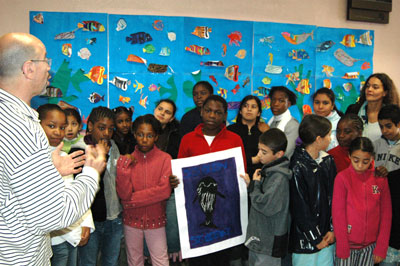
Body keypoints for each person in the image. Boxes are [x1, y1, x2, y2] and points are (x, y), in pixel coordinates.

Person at [0, 32, 105, 265]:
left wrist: (47, 169)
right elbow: (54, 215)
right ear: (28, 68)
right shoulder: (21, 127)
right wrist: (91, 173)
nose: (49, 68)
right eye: (45, 60)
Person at [176, 95, 246, 266]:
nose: (212, 116)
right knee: (197, 260)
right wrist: (175, 181)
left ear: (224, 116)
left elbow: (240, 172)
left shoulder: (234, 140)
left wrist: (245, 181)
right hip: (196, 214)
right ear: (201, 112)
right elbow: (180, 173)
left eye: (217, 112)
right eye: (208, 111)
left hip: (224, 214)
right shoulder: (188, 139)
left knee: (221, 259)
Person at [37, 104, 94, 266]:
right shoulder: (33, 158)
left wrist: (86, 222)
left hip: (72, 233)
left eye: (61, 127)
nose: (58, 132)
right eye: (51, 126)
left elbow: (75, 190)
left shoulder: (64, 155)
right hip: (53, 238)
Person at [116, 114, 171, 266]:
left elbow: (164, 191)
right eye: (140, 135)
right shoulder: (127, 160)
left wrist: (129, 202)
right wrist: (123, 169)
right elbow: (123, 194)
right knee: (134, 261)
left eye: (149, 135)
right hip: (131, 221)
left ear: (156, 136)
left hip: (156, 220)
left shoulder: (165, 159)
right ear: (134, 135)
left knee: (161, 260)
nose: (144, 139)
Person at [333, 137, 392, 266]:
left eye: (365, 161)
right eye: (356, 160)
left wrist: (381, 247)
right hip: (347, 246)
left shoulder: (380, 179)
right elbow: (338, 215)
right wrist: (342, 245)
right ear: (349, 156)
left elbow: (386, 215)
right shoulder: (342, 178)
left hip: (370, 247)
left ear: (372, 158)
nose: (360, 165)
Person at [78, 106, 123, 266]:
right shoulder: (81, 150)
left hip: (115, 216)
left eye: (111, 129)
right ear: (90, 126)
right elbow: (89, 185)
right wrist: (102, 155)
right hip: (92, 220)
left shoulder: (114, 146)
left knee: (111, 261)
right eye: (101, 128)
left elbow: (117, 177)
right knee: (88, 262)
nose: (106, 133)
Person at [289, 114, 336, 266]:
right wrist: (315, 238)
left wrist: (332, 229)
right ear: (318, 139)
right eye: (328, 135)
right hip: (305, 240)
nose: (330, 138)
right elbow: (299, 207)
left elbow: (334, 199)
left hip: (327, 237)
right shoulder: (297, 165)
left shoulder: (328, 161)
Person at [241, 128, 291, 266]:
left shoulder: (279, 177)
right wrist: (251, 185)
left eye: (264, 152)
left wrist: (255, 185)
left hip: (269, 242)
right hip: (259, 236)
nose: (259, 155)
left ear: (279, 154)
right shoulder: (268, 170)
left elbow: (265, 205)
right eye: (259, 150)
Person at [153, 99, 182, 263]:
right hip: (147, 190)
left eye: (167, 112)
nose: (162, 113)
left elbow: (179, 160)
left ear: (171, 118)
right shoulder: (141, 128)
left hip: (170, 189)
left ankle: (172, 256)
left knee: (171, 227)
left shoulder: (177, 135)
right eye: (160, 109)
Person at [374, 104, 400, 266]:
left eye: (388, 126)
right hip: (380, 200)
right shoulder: (376, 144)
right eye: (381, 126)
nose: (384, 131)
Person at [346, 73, 400, 142]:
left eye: (375, 87)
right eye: (367, 86)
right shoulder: (353, 110)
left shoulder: (392, 114)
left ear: (385, 92)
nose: (369, 89)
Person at [228, 95, 269, 178]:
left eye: (253, 107)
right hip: (234, 175)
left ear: (258, 113)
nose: (249, 109)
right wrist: (251, 160)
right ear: (240, 111)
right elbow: (227, 156)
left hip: (258, 177)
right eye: (245, 106)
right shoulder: (230, 131)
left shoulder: (263, 132)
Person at [268, 86, 299, 158]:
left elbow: (285, 153)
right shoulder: (271, 122)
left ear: (288, 104)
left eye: (281, 101)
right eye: (273, 100)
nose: (275, 104)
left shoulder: (293, 125)